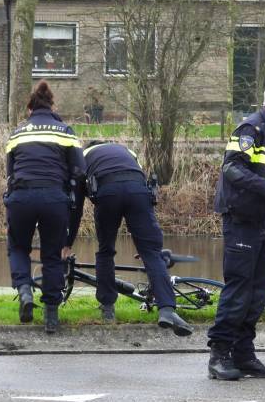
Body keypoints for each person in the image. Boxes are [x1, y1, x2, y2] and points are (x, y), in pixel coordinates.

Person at [207, 79, 265, 380]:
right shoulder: (250, 130)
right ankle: (219, 355)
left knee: (258, 292)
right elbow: (231, 168)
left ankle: (244, 354)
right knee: (238, 289)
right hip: (241, 220)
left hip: (262, 221)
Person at [81, 140, 193, 336]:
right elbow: (138, 175)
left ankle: (108, 308)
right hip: (138, 191)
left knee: (106, 250)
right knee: (152, 253)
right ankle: (167, 309)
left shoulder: (84, 156)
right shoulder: (126, 151)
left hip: (108, 193)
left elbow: (81, 189)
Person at [4, 80, 85, 334]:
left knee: (18, 247)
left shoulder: (17, 134)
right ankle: (51, 315)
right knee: (52, 255)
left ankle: (25, 290)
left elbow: (9, 172)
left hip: (22, 198)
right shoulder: (66, 131)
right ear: (53, 105)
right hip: (54, 198)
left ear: (30, 108)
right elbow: (80, 171)